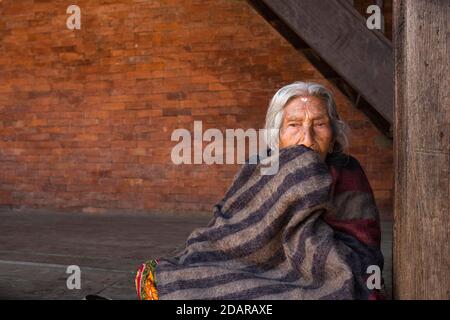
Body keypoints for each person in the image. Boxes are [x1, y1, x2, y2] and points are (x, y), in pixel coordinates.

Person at [136, 81, 385, 300]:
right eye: (294, 124)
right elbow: (230, 229)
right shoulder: (262, 167)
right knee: (184, 278)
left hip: (318, 271)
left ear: (333, 135)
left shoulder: (347, 171)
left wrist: (307, 243)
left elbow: (362, 247)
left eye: (319, 124)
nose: (307, 138)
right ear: (277, 136)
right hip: (256, 265)